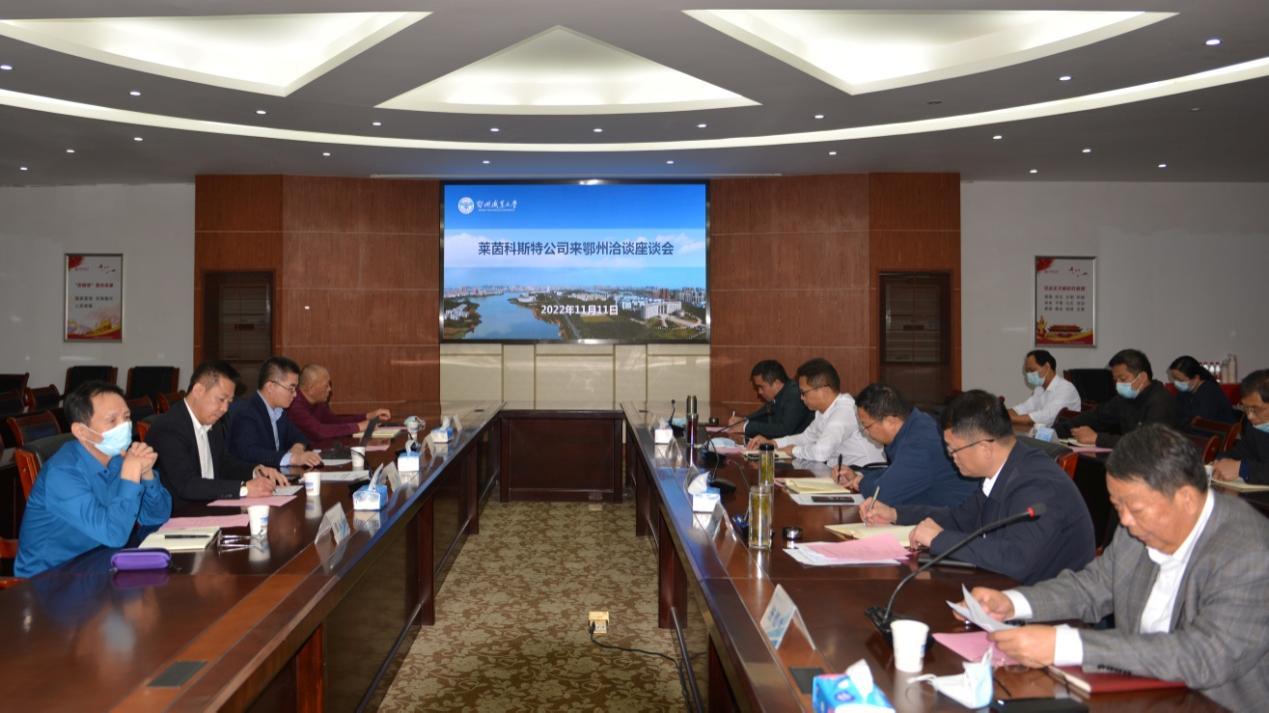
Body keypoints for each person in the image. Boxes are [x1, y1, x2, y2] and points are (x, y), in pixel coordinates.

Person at [965, 424, 1269, 711]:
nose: (1124, 521)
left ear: (1186, 499)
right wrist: (1013, 602)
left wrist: (1068, 645)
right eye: (1117, 506)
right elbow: (1093, 586)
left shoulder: (1249, 552)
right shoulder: (1137, 526)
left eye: (1134, 509)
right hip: (1141, 691)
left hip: (1213, 703)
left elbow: (1205, 656)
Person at [860, 390, 1094, 584]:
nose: (951, 457)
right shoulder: (1003, 469)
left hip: (1049, 606)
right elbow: (961, 518)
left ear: (984, 447)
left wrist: (939, 539)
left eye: (954, 450)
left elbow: (1016, 559)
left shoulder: (1037, 484)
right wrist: (895, 513)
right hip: (1006, 588)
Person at [15, 382, 171, 577]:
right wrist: (131, 475)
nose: (124, 426)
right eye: (112, 420)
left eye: (126, 417)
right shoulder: (62, 473)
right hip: (49, 580)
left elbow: (156, 518)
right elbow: (114, 535)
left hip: (99, 563)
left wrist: (146, 473)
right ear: (81, 431)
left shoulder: (116, 458)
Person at [147, 361, 291, 509]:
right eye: (221, 399)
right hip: (180, 513)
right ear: (198, 390)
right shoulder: (169, 427)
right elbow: (187, 484)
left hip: (210, 506)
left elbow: (222, 463)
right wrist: (244, 488)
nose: (225, 408)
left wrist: (255, 471)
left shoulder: (213, 421)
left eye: (229, 402)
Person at [835, 383, 974, 507]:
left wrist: (860, 483)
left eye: (867, 426)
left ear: (891, 421)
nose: (866, 433)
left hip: (953, 519)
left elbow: (883, 493)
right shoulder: (916, 425)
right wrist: (858, 475)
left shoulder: (920, 442)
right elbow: (897, 471)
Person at [745, 358, 883, 466]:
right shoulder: (823, 411)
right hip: (843, 474)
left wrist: (792, 450)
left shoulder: (844, 411)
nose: (801, 398)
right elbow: (806, 438)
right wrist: (773, 443)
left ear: (824, 390)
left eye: (804, 392)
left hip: (865, 474)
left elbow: (820, 453)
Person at [1056, 349, 1179, 448]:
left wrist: (1097, 439)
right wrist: (1054, 432)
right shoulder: (1124, 399)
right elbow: (1096, 417)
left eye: (1123, 379)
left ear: (1142, 377)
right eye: (1116, 380)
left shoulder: (1161, 402)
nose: (1118, 385)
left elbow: (1148, 443)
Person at [227, 356, 322, 468]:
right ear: (270, 387)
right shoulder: (246, 412)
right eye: (291, 388)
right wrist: (293, 458)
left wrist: (297, 448)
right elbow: (249, 452)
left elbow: (299, 436)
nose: (295, 394)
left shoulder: (278, 411)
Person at [288, 364, 393, 443]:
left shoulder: (318, 402)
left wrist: (369, 416)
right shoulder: (294, 405)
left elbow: (334, 422)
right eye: (326, 385)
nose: (330, 389)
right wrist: (359, 427)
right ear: (311, 389)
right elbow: (320, 432)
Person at [725, 360, 813, 440]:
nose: (759, 392)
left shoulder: (794, 395)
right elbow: (765, 417)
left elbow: (784, 430)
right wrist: (744, 420)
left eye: (761, 387)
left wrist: (745, 427)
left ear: (776, 383)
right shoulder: (781, 394)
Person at [1212, 368, 1269, 484]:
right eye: (1246, 408)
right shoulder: (1255, 426)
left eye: (1256, 409)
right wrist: (1219, 462)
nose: (1250, 416)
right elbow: (1240, 452)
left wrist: (1243, 469)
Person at [1008, 349, 1081, 429]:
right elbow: (1025, 407)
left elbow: (1047, 416)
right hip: (1046, 433)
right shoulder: (1039, 388)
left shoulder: (1066, 388)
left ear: (1047, 367)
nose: (1028, 375)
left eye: (1032, 370)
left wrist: (1010, 419)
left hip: (1064, 435)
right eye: (1027, 372)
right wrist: (1003, 414)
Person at [1168, 355, 1239, 424]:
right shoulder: (1185, 392)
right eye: (1174, 379)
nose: (1176, 383)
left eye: (1180, 380)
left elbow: (1201, 423)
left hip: (1217, 431)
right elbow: (1177, 415)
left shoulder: (1209, 392)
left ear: (1196, 378)